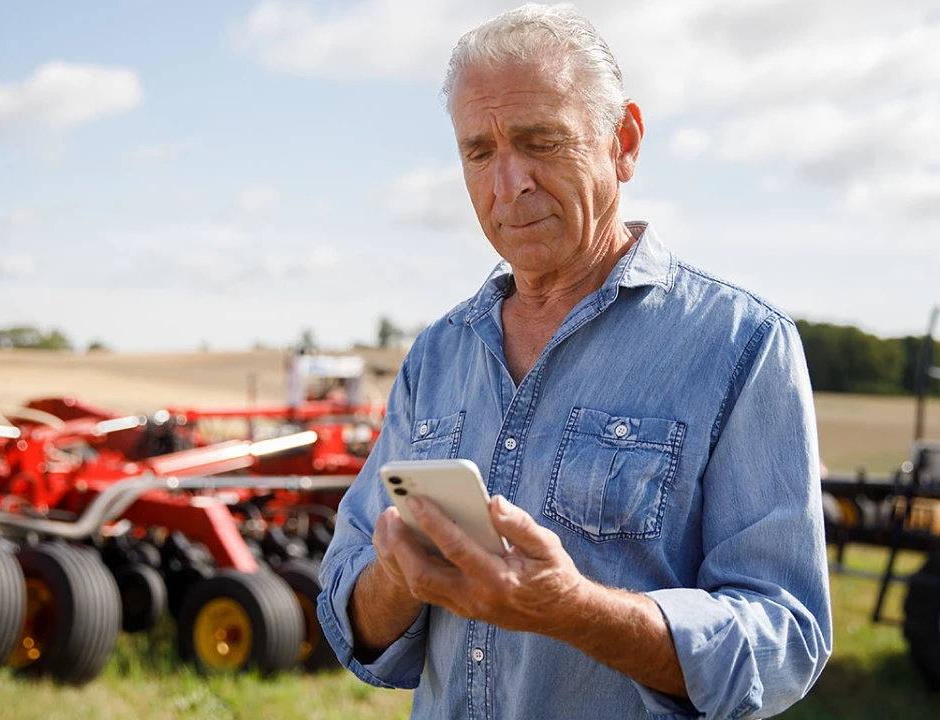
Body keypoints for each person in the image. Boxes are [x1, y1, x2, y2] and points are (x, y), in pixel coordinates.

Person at [316, 4, 832, 719]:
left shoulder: (742, 345)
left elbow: (786, 638)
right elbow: (349, 621)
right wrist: (402, 575)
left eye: (540, 141)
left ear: (623, 142)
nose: (508, 184)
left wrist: (574, 610)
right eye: (479, 152)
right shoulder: (439, 353)